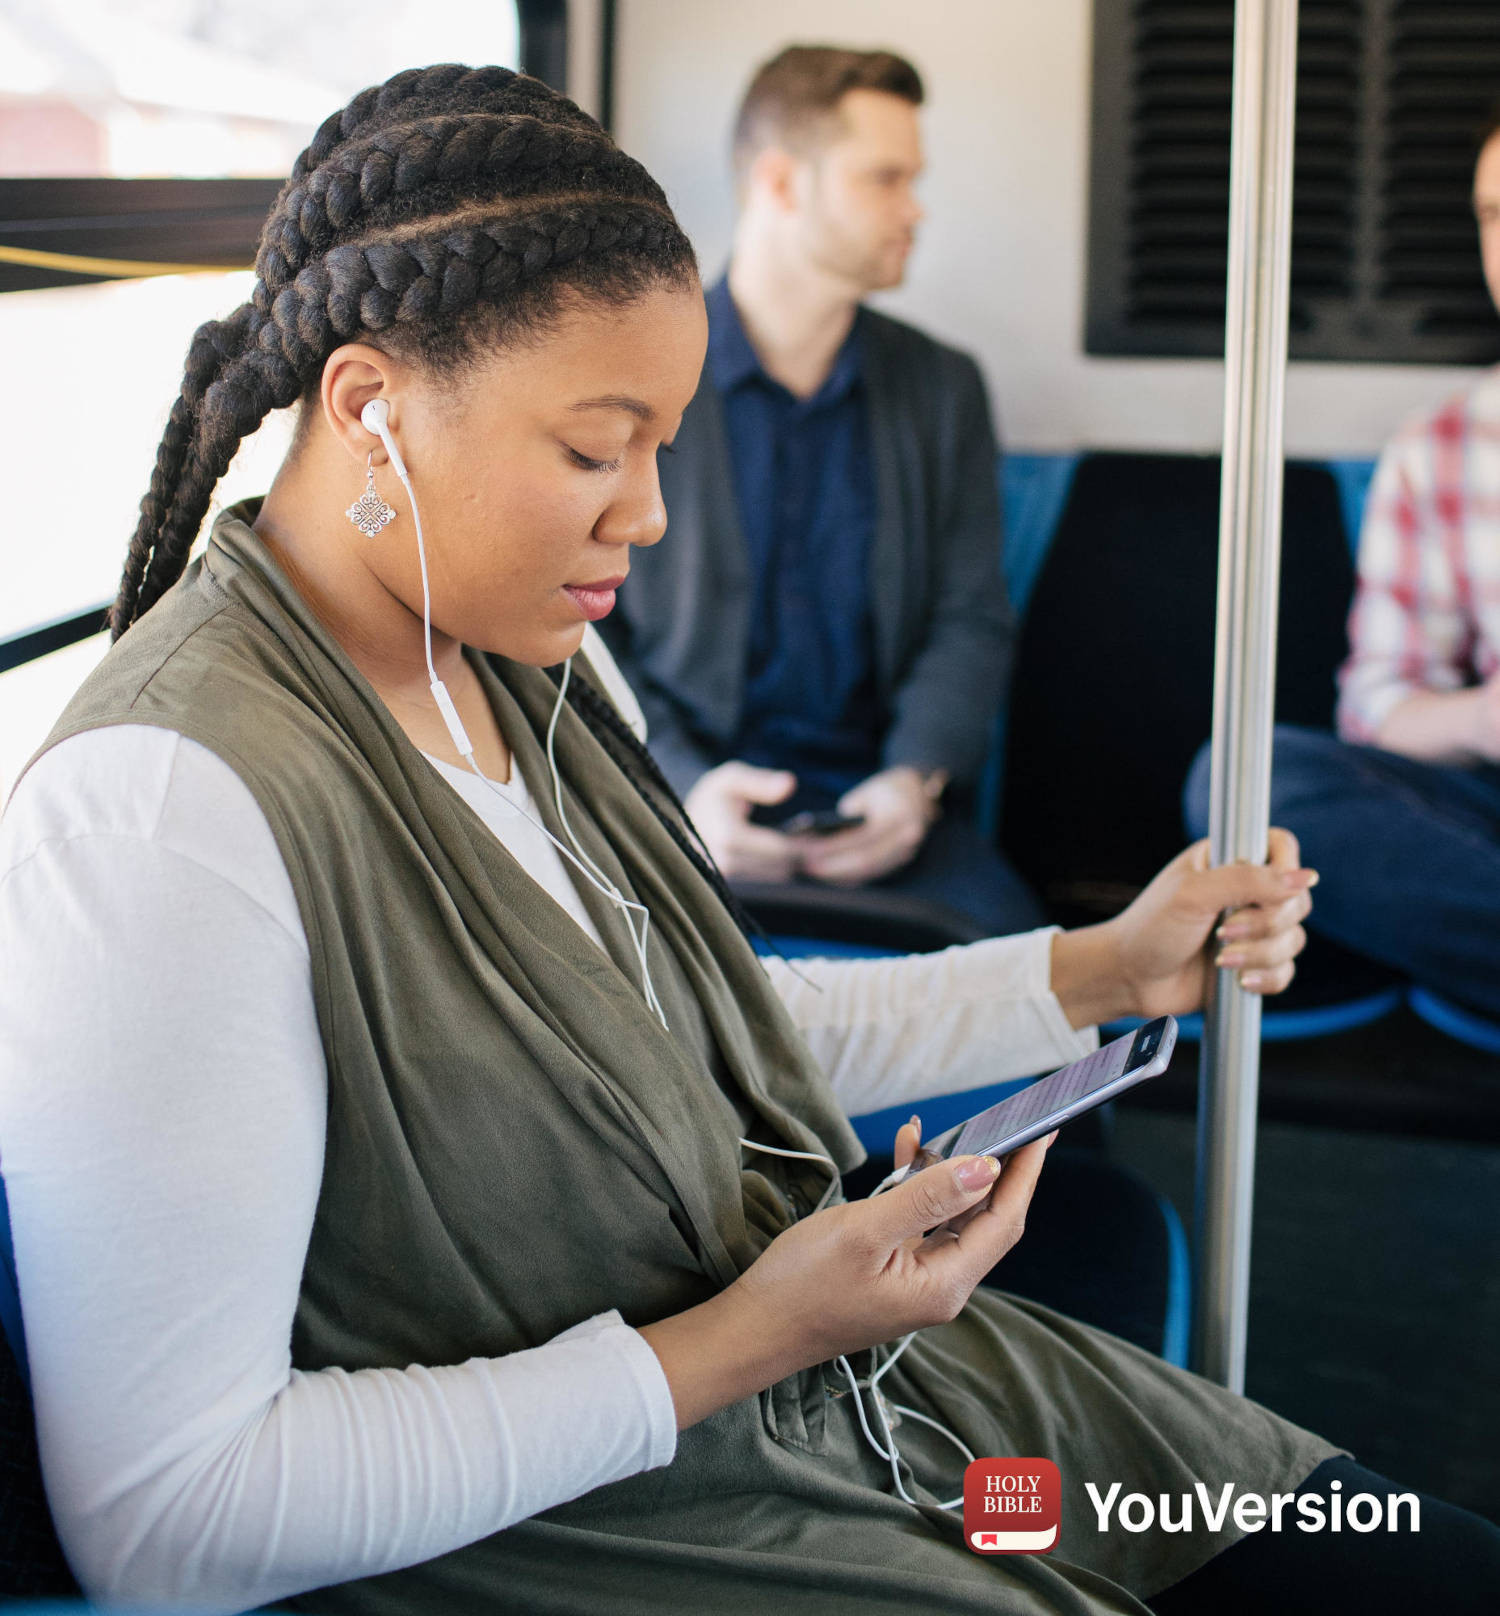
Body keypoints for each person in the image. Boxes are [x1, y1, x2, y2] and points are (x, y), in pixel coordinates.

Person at [0, 65, 1494, 1616]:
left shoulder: (523, 659)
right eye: (595, 450)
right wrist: (756, 1335)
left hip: (876, 1422)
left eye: (663, 446)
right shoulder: (162, 816)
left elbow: (703, 1024)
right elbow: (172, 1519)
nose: (646, 515)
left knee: (1389, 1564)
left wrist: (1097, 970)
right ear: (373, 407)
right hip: (644, 1528)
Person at [599, 45, 1044, 933]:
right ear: (781, 182)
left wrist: (915, 779)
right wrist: (683, 787)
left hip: (887, 814)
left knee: (1050, 1025)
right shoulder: (628, 376)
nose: (914, 209)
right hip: (667, 808)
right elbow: (579, 631)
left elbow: (971, 617)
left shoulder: (941, 387)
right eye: (886, 178)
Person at [1185, 113, 1500, 1020]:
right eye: (1490, 213)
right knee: (1247, 782)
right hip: (1479, 815)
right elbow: (1378, 708)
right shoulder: (1439, 449)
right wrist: (1484, 714)